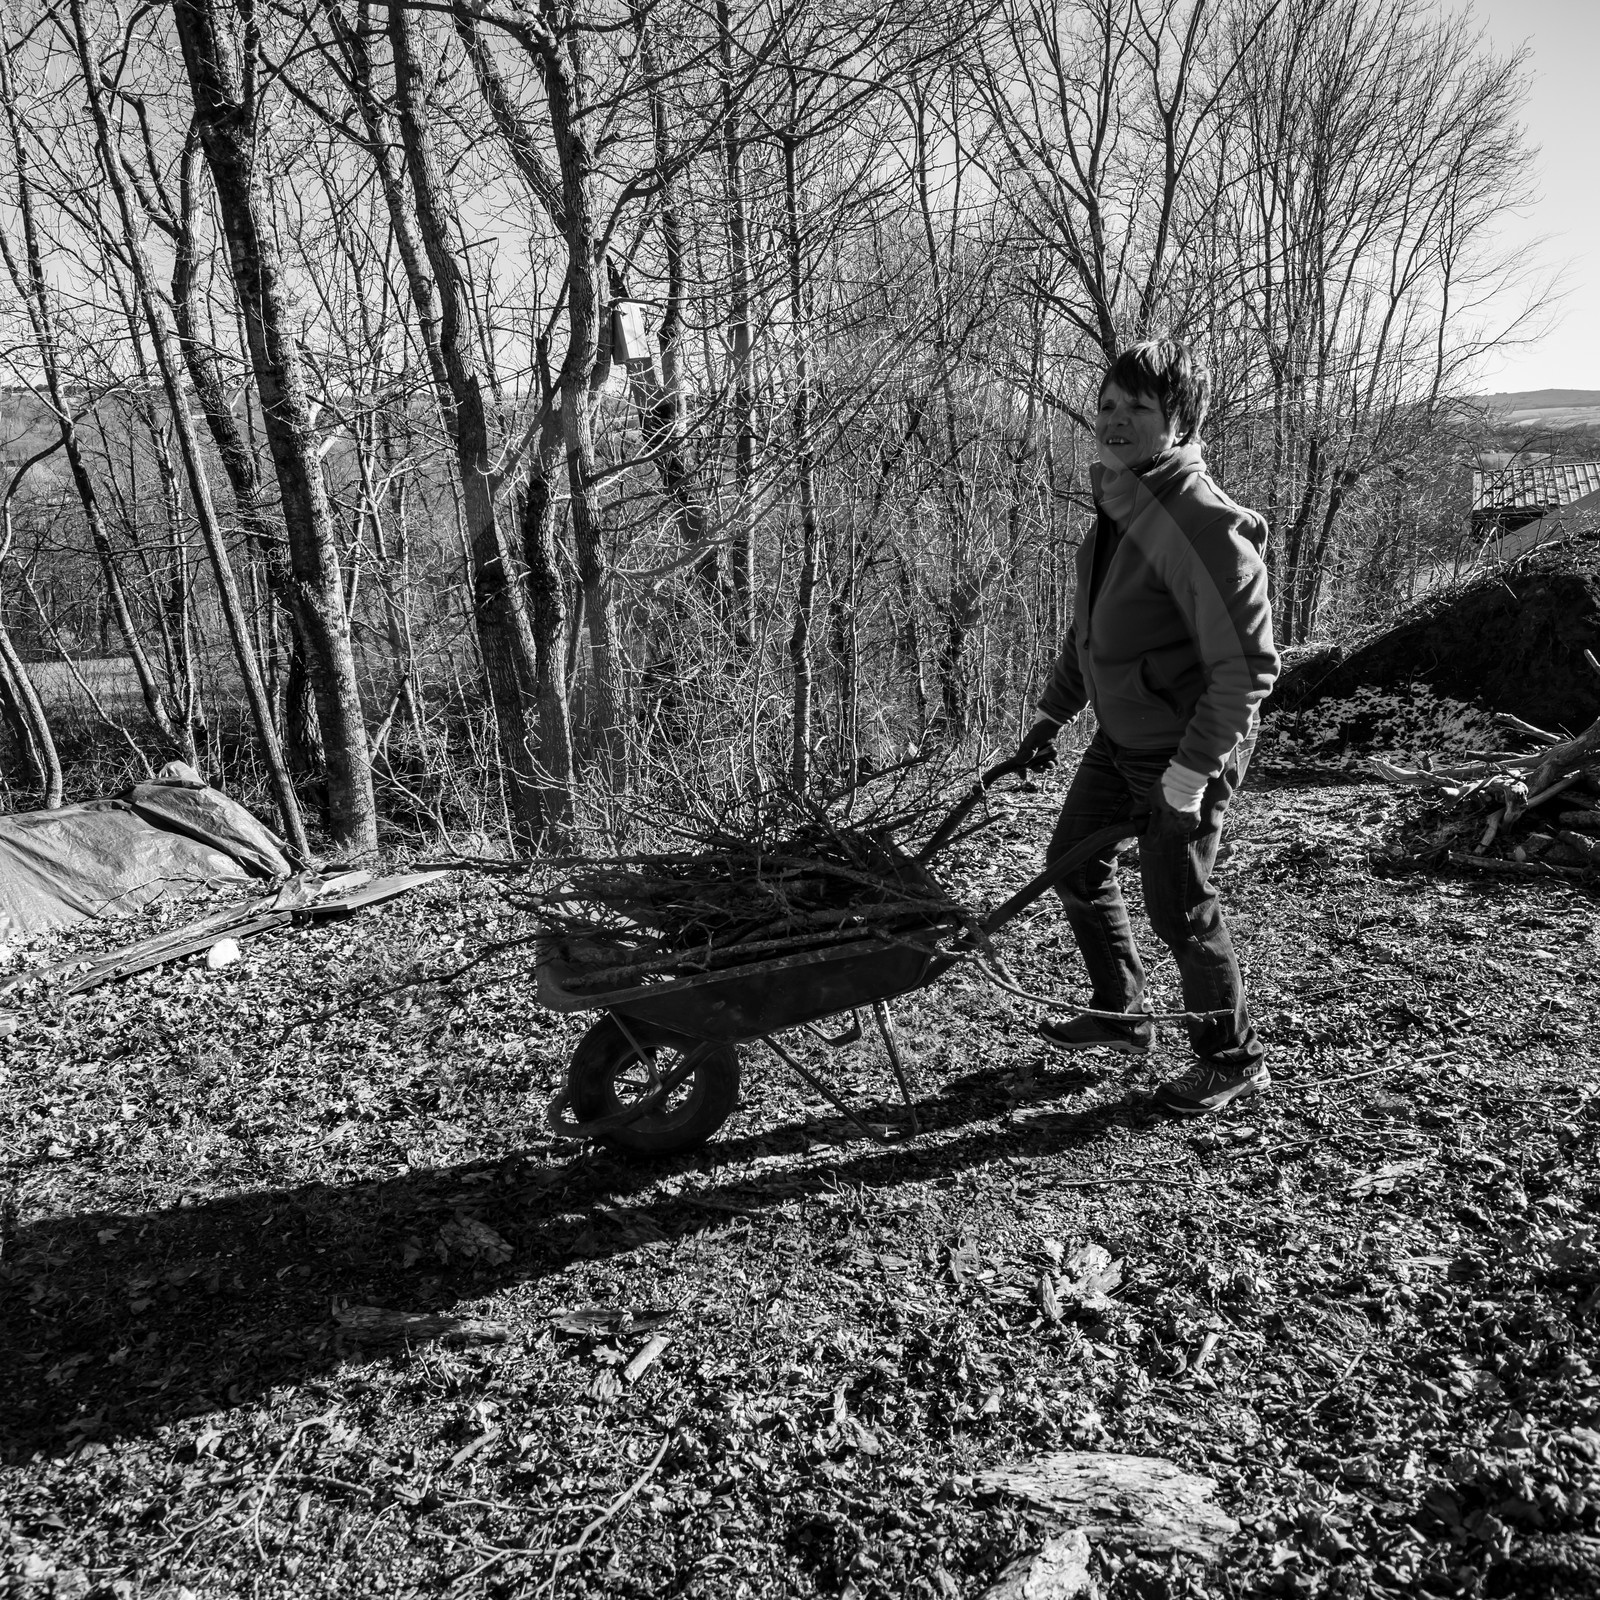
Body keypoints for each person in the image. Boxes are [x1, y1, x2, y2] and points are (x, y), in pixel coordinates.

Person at [1017, 338, 1279, 1117]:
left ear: (1180, 421)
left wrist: (1189, 779)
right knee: (1072, 863)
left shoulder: (1202, 523)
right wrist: (1050, 715)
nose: (1115, 419)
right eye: (1107, 404)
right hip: (1122, 738)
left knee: (1180, 907)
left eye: (1138, 407)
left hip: (1184, 750)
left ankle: (1232, 1058)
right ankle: (1121, 1015)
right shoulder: (1117, 510)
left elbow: (1246, 669)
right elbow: (1090, 637)